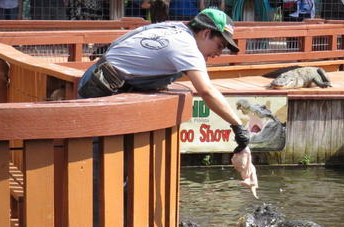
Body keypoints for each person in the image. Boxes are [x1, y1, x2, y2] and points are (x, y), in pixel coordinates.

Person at [78, 8, 252, 177]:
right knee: (98, 161)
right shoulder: (187, 45)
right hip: (101, 90)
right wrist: (238, 127)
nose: (219, 53)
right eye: (220, 45)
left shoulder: (174, 28)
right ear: (206, 33)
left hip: (103, 79)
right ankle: (96, 204)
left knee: (113, 160)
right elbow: (206, 90)